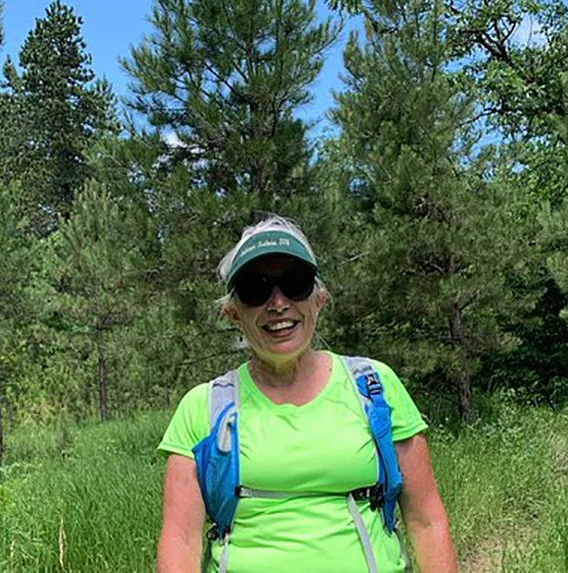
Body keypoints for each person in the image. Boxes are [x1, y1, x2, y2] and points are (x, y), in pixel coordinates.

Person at [156, 216, 456, 573]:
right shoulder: (203, 409)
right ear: (233, 314)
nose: (278, 303)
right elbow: (181, 540)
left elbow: (426, 521)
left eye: (295, 284)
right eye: (256, 288)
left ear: (319, 300)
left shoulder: (375, 386)